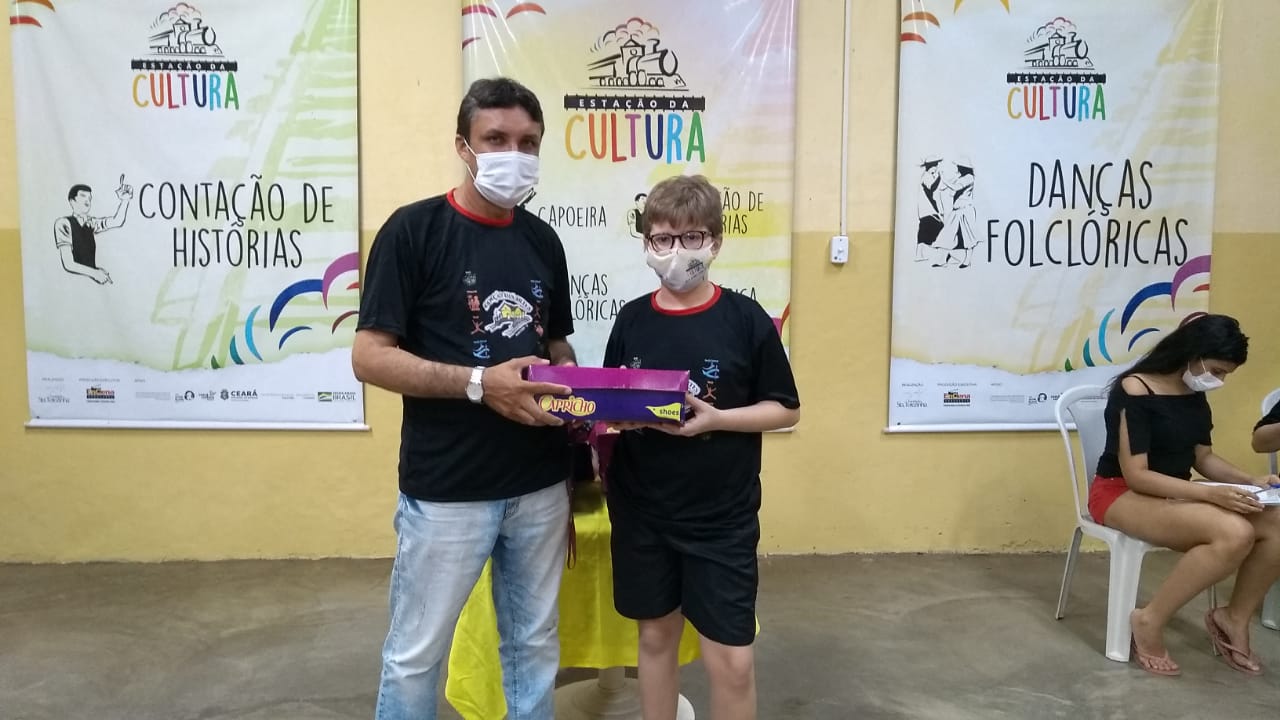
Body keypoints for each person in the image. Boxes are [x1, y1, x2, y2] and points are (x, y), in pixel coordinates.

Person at [353, 77, 579, 720]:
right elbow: (369, 356)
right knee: (417, 654)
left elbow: (555, 342)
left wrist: (575, 384)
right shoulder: (413, 231)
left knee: (533, 645)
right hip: (447, 491)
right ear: (463, 145)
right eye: (496, 139)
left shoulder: (543, 241)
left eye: (528, 142)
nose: (515, 154)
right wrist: (479, 383)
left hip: (539, 484)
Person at [601, 174, 801, 719]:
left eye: (691, 237)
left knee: (732, 661)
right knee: (654, 639)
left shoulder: (745, 320)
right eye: (663, 238)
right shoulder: (632, 319)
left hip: (721, 519)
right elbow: (613, 400)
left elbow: (786, 408)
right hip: (643, 511)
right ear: (647, 243)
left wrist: (720, 419)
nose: (676, 251)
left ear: (715, 241)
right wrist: (612, 419)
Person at [1087, 314, 1280, 677]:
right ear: (1193, 353)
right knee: (1234, 532)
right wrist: (1211, 496)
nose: (1219, 380)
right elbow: (1138, 476)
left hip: (1175, 493)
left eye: (1225, 375)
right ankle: (1148, 619)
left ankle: (1234, 618)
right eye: (1217, 371)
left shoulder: (1194, 393)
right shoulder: (1134, 390)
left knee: (1276, 521)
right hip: (1120, 493)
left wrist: (1251, 480)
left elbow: (1203, 458)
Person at [54, 176, 133, 284]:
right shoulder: (63, 223)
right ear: (72, 201)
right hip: (71, 284)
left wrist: (125, 200)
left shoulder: (90, 223)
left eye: (89, 198)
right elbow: (68, 264)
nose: (87, 200)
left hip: (90, 285)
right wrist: (95, 273)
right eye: (83, 196)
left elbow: (117, 221)